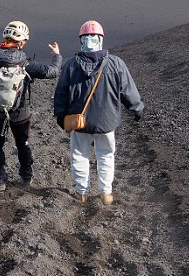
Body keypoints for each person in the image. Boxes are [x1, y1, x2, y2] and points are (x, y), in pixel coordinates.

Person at [53, 20, 144, 205]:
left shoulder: (71, 66)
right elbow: (128, 90)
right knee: (106, 155)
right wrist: (137, 109)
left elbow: (61, 94)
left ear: (81, 39)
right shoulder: (116, 64)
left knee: (79, 155)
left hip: (80, 123)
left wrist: (61, 117)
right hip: (107, 122)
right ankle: (106, 193)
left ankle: (82, 193)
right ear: (101, 39)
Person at [0, 21, 62, 189]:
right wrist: (57, 55)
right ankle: (26, 177)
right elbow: (53, 72)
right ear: (22, 42)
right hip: (20, 114)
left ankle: (0, 179)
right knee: (22, 144)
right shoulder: (26, 63)